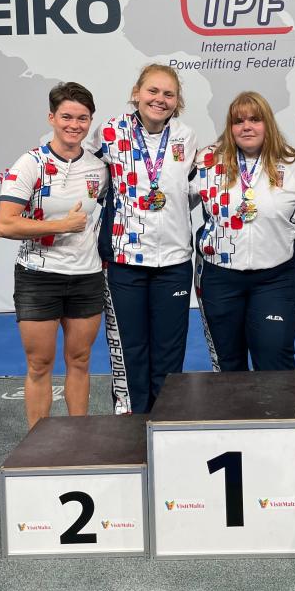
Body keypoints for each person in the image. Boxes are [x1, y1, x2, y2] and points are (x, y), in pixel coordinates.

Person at [0, 82, 108, 429]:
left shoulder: (99, 168)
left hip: (87, 277)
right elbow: (5, 224)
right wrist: (62, 225)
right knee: (40, 364)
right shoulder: (30, 164)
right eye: (66, 117)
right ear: (52, 118)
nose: (74, 125)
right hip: (38, 278)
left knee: (80, 360)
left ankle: (78, 437)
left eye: (82, 118)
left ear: (90, 121)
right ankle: (38, 445)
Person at [96, 64, 196, 415]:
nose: (160, 99)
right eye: (153, 91)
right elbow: (85, 173)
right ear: (136, 93)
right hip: (124, 259)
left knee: (169, 350)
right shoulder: (109, 132)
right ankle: (130, 422)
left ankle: (165, 422)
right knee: (129, 348)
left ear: (177, 101)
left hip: (174, 260)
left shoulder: (186, 137)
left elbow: (190, 192)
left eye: (169, 94)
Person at [192, 91, 295, 372]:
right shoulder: (207, 162)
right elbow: (173, 201)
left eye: (255, 120)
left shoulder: (292, 164)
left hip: (275, 278)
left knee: (275, 361)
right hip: (219, 277)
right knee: (228, 365)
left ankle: (276, 404)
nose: (246, 127)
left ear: (267, 123)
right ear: (230, 127)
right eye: (239, 121)